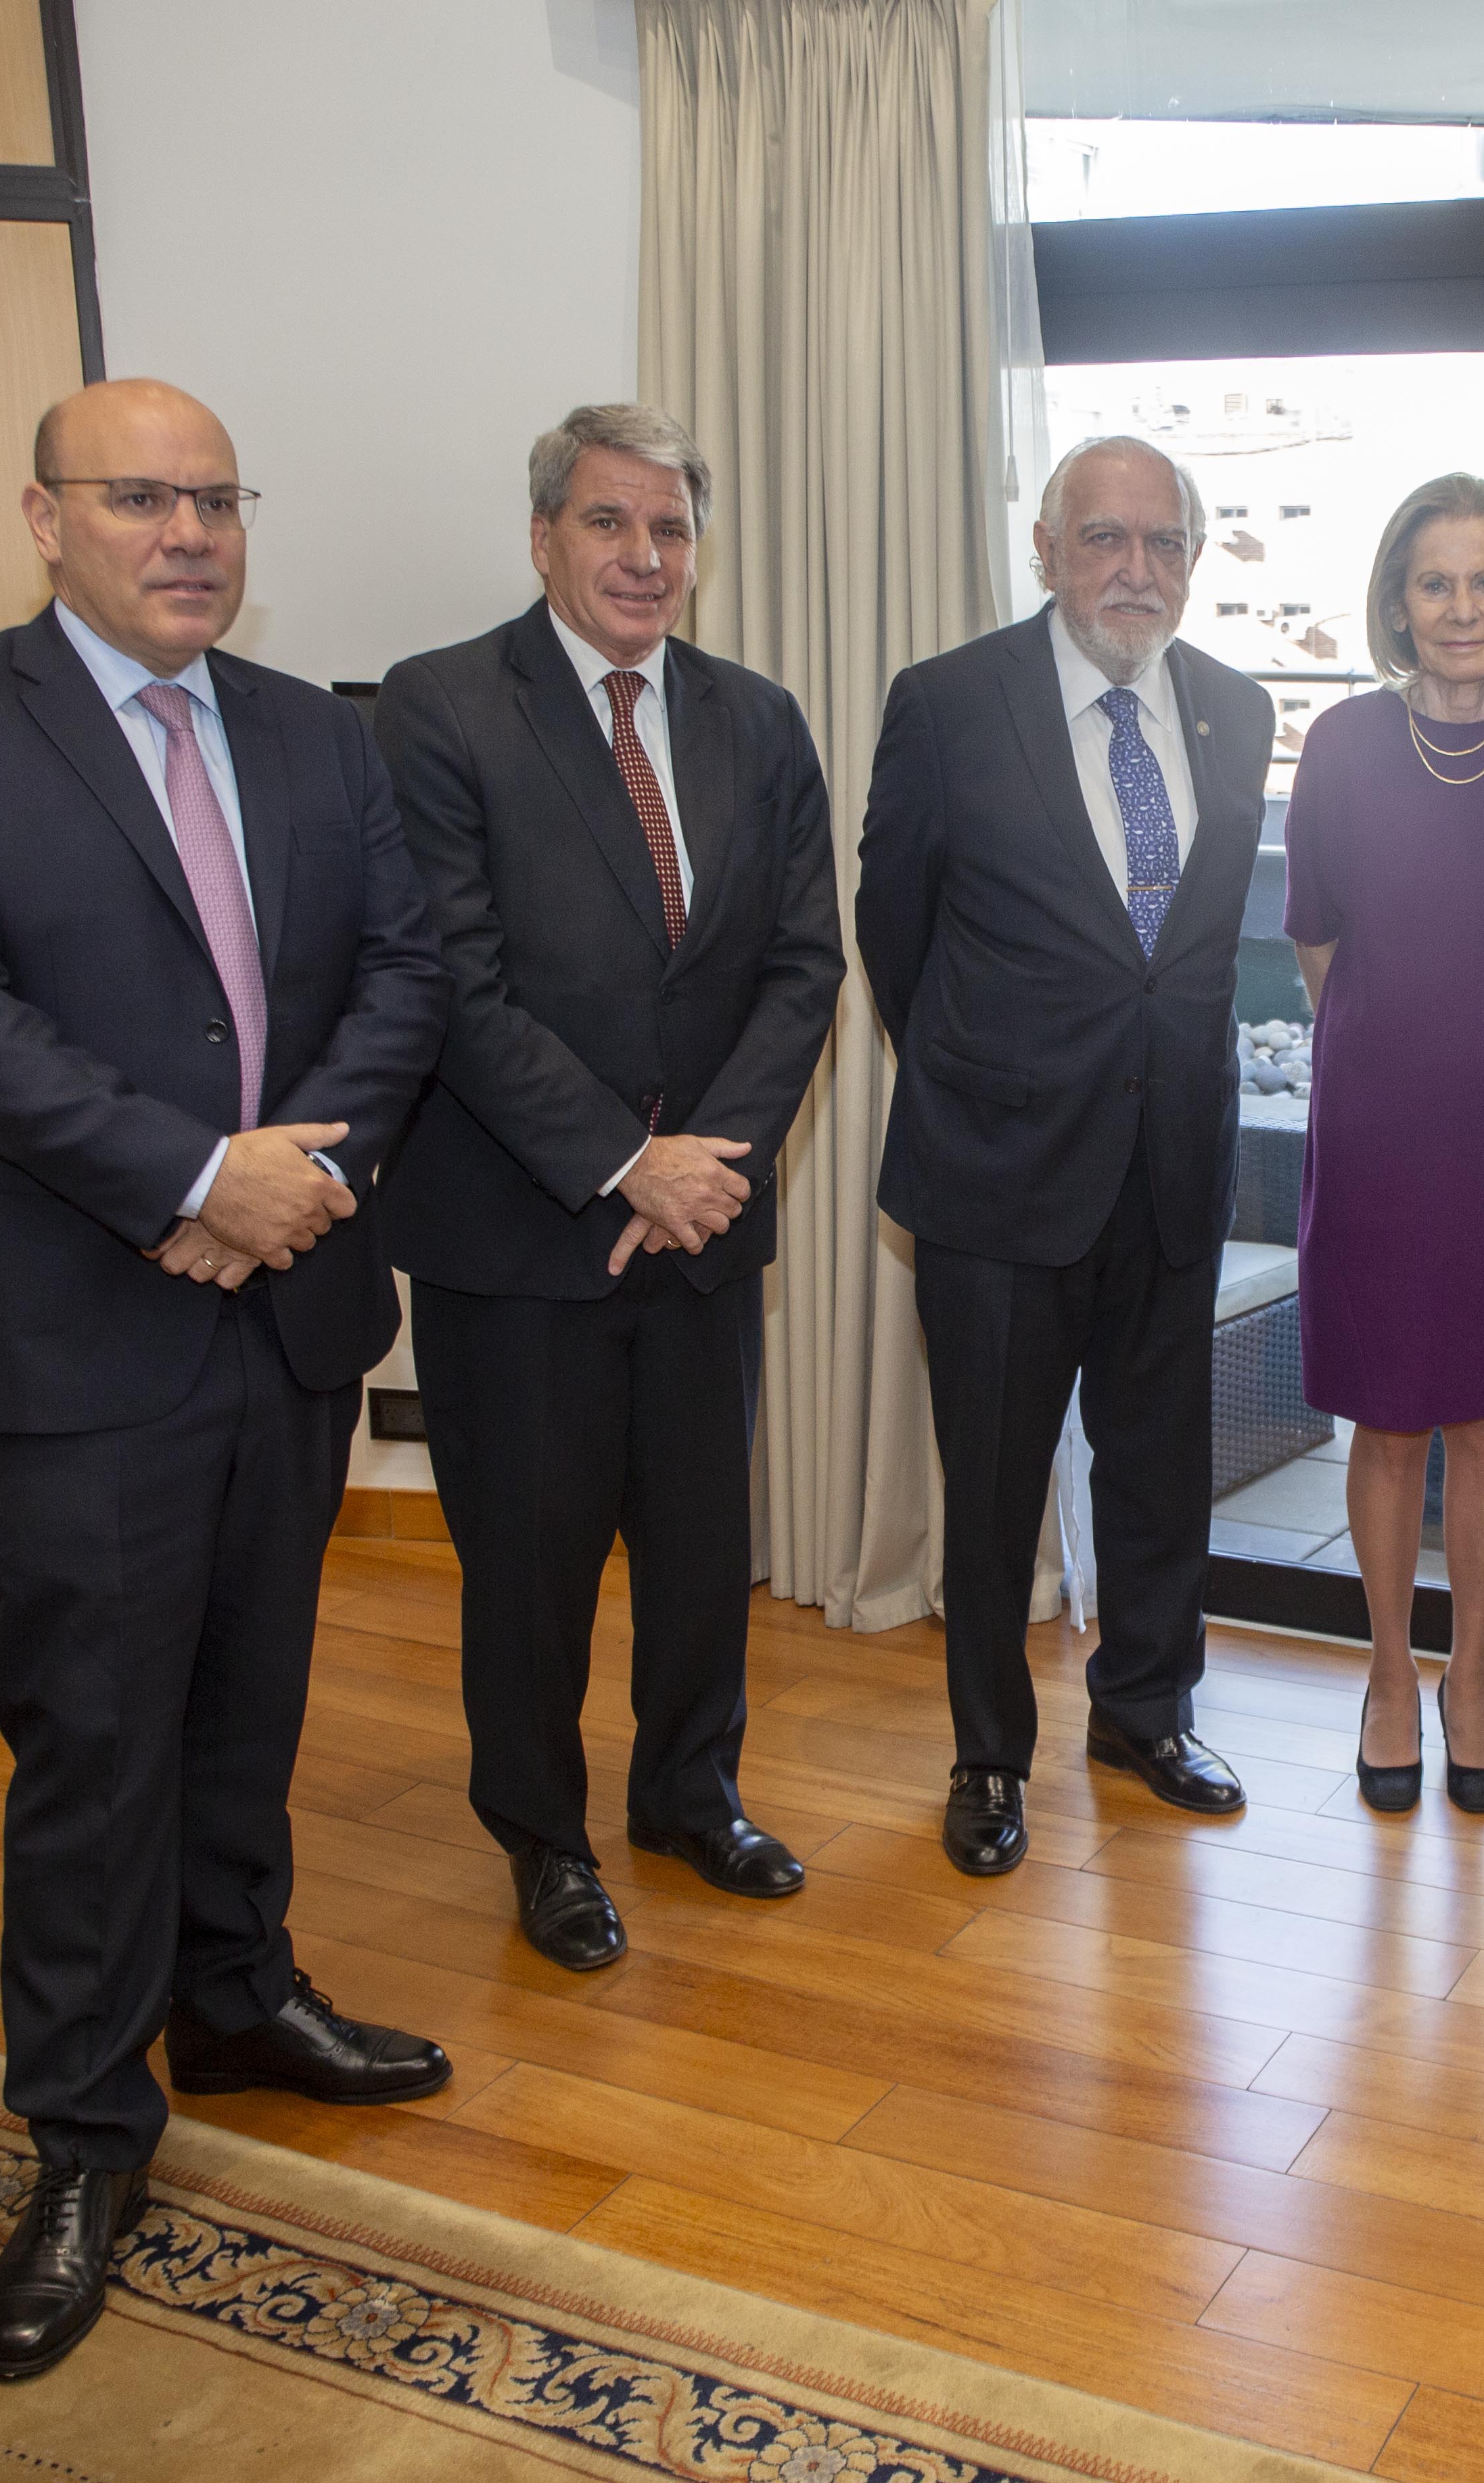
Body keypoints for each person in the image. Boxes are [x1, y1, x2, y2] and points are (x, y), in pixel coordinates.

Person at [0, 378, 454, 2382]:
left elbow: (406, 982)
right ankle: (87, 2130)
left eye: (214, 497)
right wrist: (195, 1175)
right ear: (43, 514)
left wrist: (295, 1179)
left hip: (279, 1314)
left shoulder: (312, 734)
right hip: (73, 1329)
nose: (186, 531)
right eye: (139, 496)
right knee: (94, 1739)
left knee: (248, 1693)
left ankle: (240, 1992)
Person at [375, 406, 845, 1974]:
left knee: (705, 1546)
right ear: (543, 536)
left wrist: (701, 1165)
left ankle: (687, 1794)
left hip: (703, 1224)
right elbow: (454, 982)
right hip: (521, 1229)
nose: (644, 557)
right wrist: (618, 1158)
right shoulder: (440, 710)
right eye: (607, 524)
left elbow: (801, 964)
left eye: (670, 529)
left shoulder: (758, 719)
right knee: (530, 1562)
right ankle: (545, 1837)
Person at [858, 436, 1274, 1876]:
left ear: (1192, 559)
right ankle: (987, 1753)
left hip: (1168, 1166)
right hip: (995, 1174)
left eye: (1161, 543)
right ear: (1045, 548)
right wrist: (995, 1078)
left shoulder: (1233, 705)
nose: (1132, 569)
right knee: (992, 1483)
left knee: (1163, 1465)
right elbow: (893, 937)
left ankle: (1146, 1713)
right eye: (1103, 538)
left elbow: (1197, 954)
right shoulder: (948, 702)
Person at [1284, 476, 1484, 1814]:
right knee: (1388, 1414)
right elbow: (1316, 933)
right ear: (1398, 601)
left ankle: (1471, 1675)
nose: (1461, 607)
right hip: (1377, 1124)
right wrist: (1390, 1046)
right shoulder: (1345, 741)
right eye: (1435, 581)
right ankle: (1383, 1671)